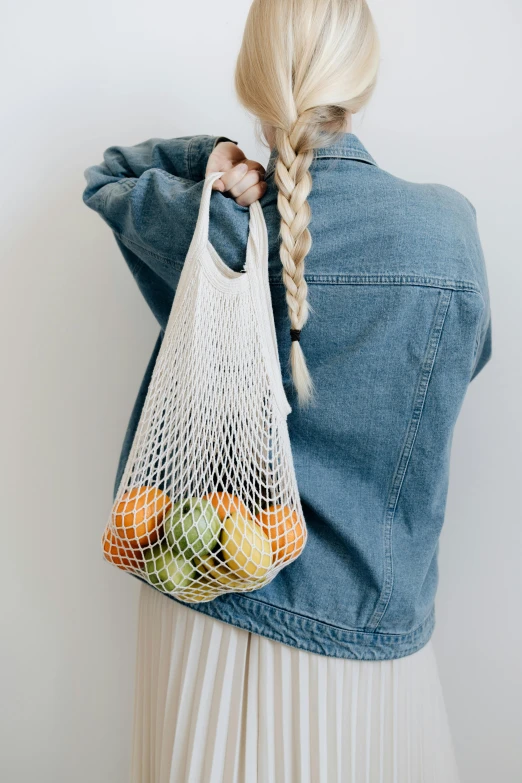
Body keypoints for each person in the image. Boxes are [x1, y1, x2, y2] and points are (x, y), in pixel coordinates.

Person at [82, 0, 492, 780]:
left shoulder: (219, 221)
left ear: (254, 77)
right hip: (371, 631)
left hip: (209, 606)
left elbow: (108, 177)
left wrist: (214, 157)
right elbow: (460, 369)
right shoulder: (449, 232)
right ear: (360, 77)